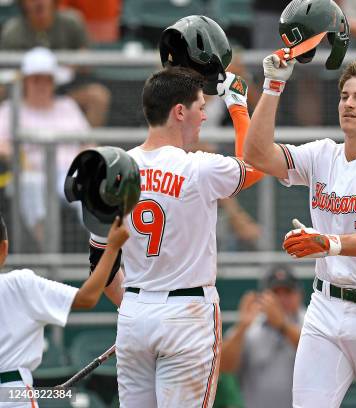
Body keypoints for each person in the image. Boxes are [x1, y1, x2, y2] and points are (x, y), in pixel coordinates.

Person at [95, 16, 264, 407]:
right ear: (179, 112)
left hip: (135, 310)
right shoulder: (196, 166)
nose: (205, 115)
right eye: (200, 107)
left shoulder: (116, 168)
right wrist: (239, 107)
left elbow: (98, 259)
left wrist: (137, 311)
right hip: (187, 313)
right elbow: (256, 164)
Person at [244, 53, 356, 406]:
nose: (348, 104)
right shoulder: (322, 154)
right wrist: (273, 86)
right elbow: (257, 154)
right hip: (325, 305)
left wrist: (331, 243)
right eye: (344, 96)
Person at [0, 213, 129, 408]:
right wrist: (110, 248)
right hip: (12, 393)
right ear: (4, 248)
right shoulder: (18, 285)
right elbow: (87, 297)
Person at [0, 47, 90, 250]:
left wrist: (88, 162)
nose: (41, 84)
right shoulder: (10, 108)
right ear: (25, 81)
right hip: (33, 172)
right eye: (35, 79)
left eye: (46, 79)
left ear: (53, 81)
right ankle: (48, 257)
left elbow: (88, 142)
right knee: (31, 182)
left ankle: (107, 262)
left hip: (70, 171)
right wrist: (19, 157)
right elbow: (1, 144)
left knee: (91, 189)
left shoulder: (67, 105)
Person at [0, 0, 111, 127]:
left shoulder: (71, 22)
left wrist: (70, 66)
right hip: (26, 93)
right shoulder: (13, 30)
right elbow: (6, 72)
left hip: (64, 92)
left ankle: (87, 145)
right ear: (23, 3)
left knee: (97, 96)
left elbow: (86, 60)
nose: (39, 3)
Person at [220, 265, 304, 408]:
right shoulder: (250, 325)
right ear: (263, 297)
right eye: (275, 293)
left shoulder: (310, 321)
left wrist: (282, 325)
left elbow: (318, 355)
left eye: (288, 292)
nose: (282, 299)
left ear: (299, 294)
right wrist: (242, 327)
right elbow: (224, 366)